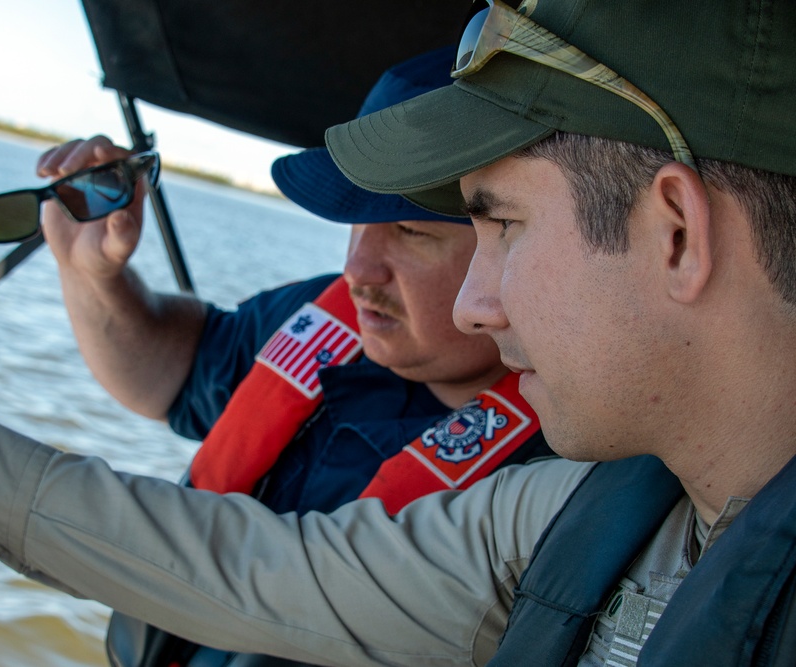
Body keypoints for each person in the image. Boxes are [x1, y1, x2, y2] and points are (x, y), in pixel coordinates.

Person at [0, 0, 795, 664]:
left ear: (672, 232)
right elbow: (250, 563)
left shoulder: (552, 474)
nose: (483, 303)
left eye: (496, 222)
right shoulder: (578, 510)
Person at [37, 45, 549, 667]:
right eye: (354, 222)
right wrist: (91, 274)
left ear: (513, 245)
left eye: (410, 232)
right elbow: (167, 376)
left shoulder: (562, 462)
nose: (357, 270)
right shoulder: (323, 315)